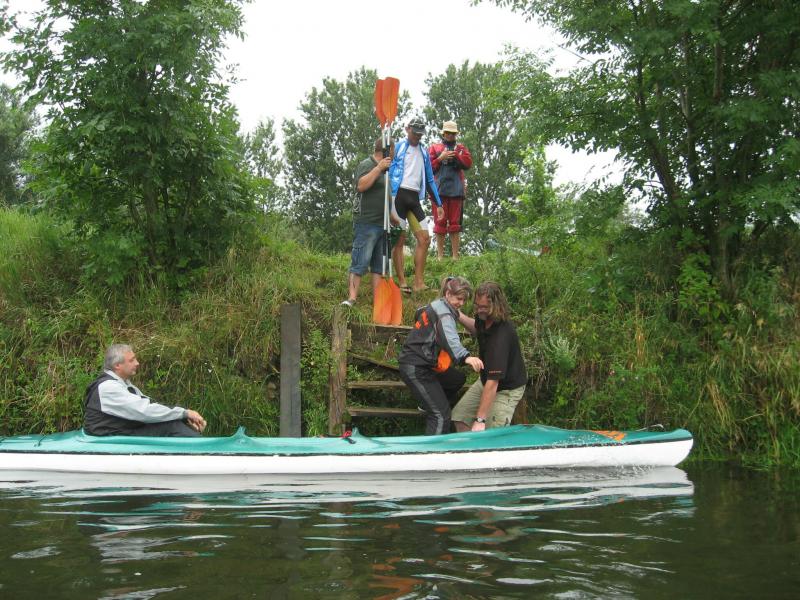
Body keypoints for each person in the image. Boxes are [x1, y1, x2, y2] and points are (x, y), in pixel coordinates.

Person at [398, 276, 484, 435]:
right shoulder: (444, 314)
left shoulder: (437, 304)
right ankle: (431, 449)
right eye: (459, 299)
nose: (461, 303)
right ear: (448, 294)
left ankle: (427, 403)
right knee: (441, 415)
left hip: (426, 363)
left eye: (464, 300)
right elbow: (450, 339)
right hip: (416, 367)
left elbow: (419, 312)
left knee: (456, 379)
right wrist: (466, 357)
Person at [84, 344, 207, 437]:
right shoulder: (108, 387)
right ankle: (204, 454)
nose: (137, 363)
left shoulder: (122, 383)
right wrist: (184, 413)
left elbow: (149, 405)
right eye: (131, 360)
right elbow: (145, 411)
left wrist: (183, 418)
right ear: (117, 365)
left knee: (174, 422)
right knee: (172, 426)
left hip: (122, 430)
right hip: (110, 436)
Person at [452, 282, 527, 432]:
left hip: (506, 388)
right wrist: (458, 315)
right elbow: (477, 328)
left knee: (491, 431)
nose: (480, 310)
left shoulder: (501, 336)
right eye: (477, 305)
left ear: (496, 305)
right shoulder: (484, 318)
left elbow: (493, 382)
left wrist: (480, 420)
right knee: (460, 418)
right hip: (485, 380)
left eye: (484, 307)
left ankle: (492, 445)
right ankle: (473, 447)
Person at [342, 138, 402, 306]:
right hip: (367, 223)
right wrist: (378, 168)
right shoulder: (367, 164)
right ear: (388, 150)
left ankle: (378, 303)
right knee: (360, 261)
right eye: (394, 150)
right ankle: (352, 298)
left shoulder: (387, 170)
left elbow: (384, 196)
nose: (395, 154)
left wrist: (391, 217)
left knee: (379, 266)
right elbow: (361, 185)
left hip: (384, 225)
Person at [389, 119, 443, 292]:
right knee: (399, 240)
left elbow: (429, 179)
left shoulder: (424, 152)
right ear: (407, 129)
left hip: (414, 198)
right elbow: (387, 169)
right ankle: (402, 281)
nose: (417, 137)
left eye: (420, 134)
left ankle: (419, 283)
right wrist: (386, 196)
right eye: (415, 133)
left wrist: (438, 203)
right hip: (398, 196)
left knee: (425, 239)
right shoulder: (398, 147)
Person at [429, 120, 472, 260]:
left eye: (452, 133)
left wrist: (456, 156)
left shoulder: (461, 148)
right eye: (448, 133)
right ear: (443, 133)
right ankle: (440, 256)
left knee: (455, 223)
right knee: (439, 222)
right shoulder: (435, 148)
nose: (450, 135)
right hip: (438, 191)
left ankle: (455, 256)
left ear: (456, 134)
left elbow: (468, 164)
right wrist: (441, 158)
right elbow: (428, 168)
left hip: (456, 190)